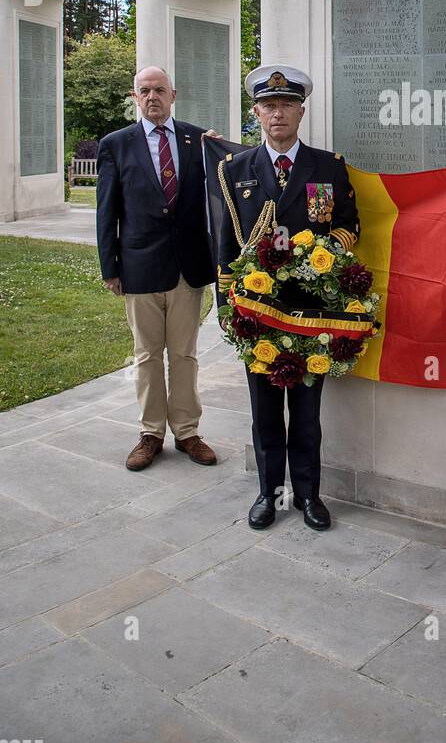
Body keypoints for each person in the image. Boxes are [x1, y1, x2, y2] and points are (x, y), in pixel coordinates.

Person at [216, 64, 360, 533]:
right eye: (269, 105)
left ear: (302, 110)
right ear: (256, 111)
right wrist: (227, 311)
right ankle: (268, 493)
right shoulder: (234, 170)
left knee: (307, 412)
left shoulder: (328, 166)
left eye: (287, 105)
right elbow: (223, 244)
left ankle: (309, 495)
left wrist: (326, 251)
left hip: (310, 312)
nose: (278, 113)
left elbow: (349, 224)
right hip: (257, 313)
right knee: (263, 412)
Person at [96, 66, 217, 471]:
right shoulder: (116, 145)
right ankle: (150, 433)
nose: (152, 96)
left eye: (159, 90)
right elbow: (106, 210)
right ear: (135, 97)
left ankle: (187, 432)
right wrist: (109, 266)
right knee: (147, 355)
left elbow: (226, 178)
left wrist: (221, 152)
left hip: (187, 266)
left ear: (173, 95)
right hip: (139, 265)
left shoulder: (197, 140)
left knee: (184, 354)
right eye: (144, 91)